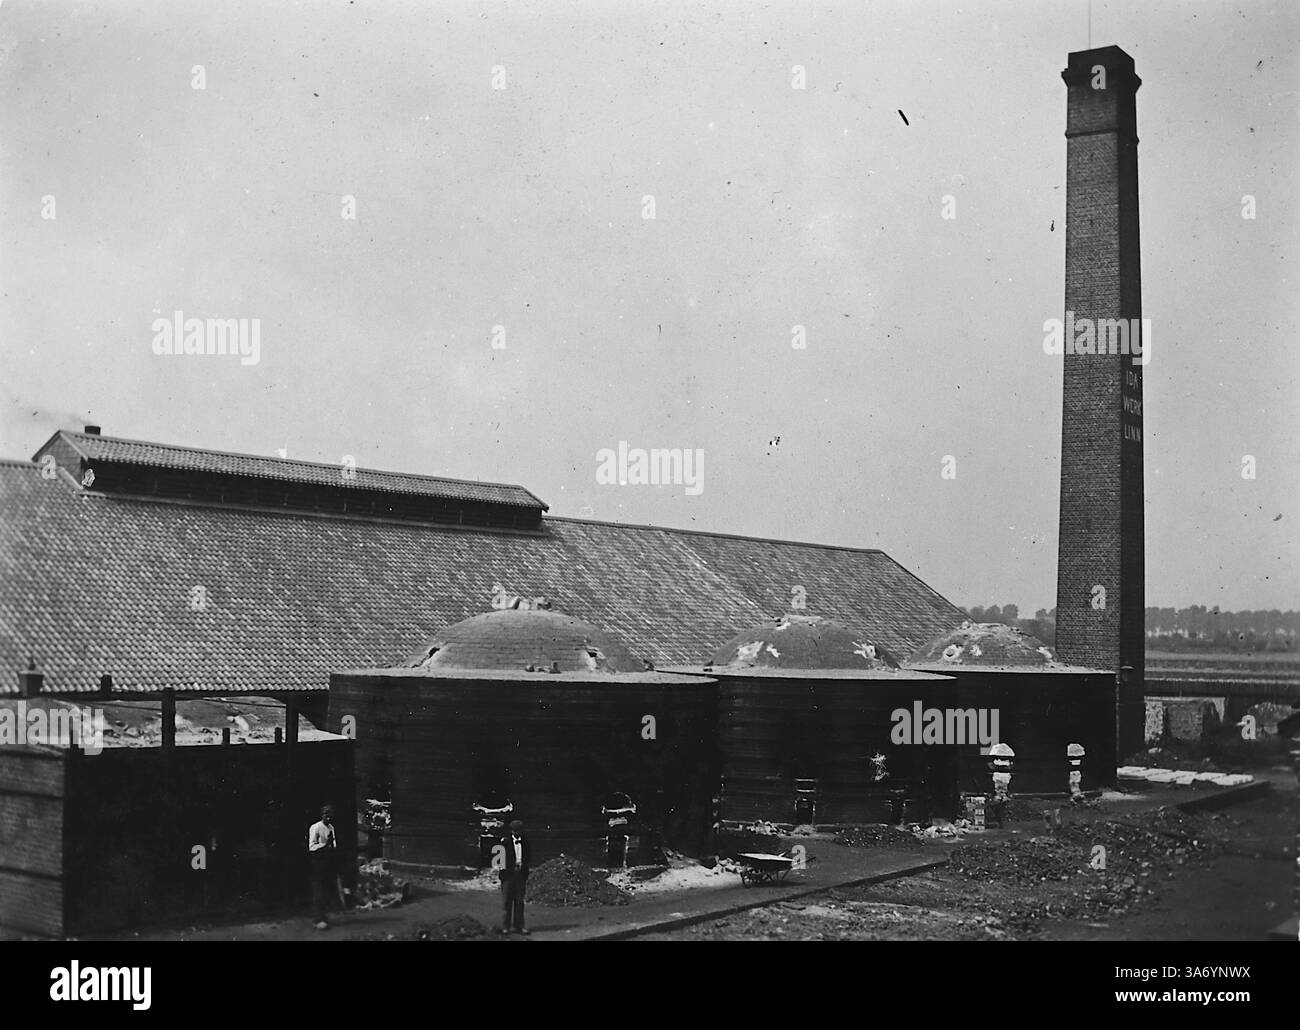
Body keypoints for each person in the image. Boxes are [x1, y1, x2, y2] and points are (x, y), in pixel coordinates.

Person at [498, 819, 531, 935]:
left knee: (519, 901)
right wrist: (503, 875)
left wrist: (524, 867)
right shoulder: (504, 842)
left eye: (519, 831)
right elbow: (498, 860)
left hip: (520, 875)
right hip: (508, 876)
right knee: (507, 901)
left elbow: (528, 857)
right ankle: (505, 927)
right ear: (511, 831)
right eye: (515, 831)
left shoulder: (526, 841)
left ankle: (519, 926)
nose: (517, 833)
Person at [308, 804, 337, 930]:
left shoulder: (331, 828)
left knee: (326, 889)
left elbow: (334, 843)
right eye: (326, 814)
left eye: (330, 815)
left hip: (328, 861)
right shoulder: (315, 827)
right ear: (322, 815)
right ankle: (317, 919)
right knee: (318, 890)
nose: (328, 817)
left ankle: (323, 916)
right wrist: (324, 846)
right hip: (318, 861)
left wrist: (332, 846)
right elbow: (312, 846)